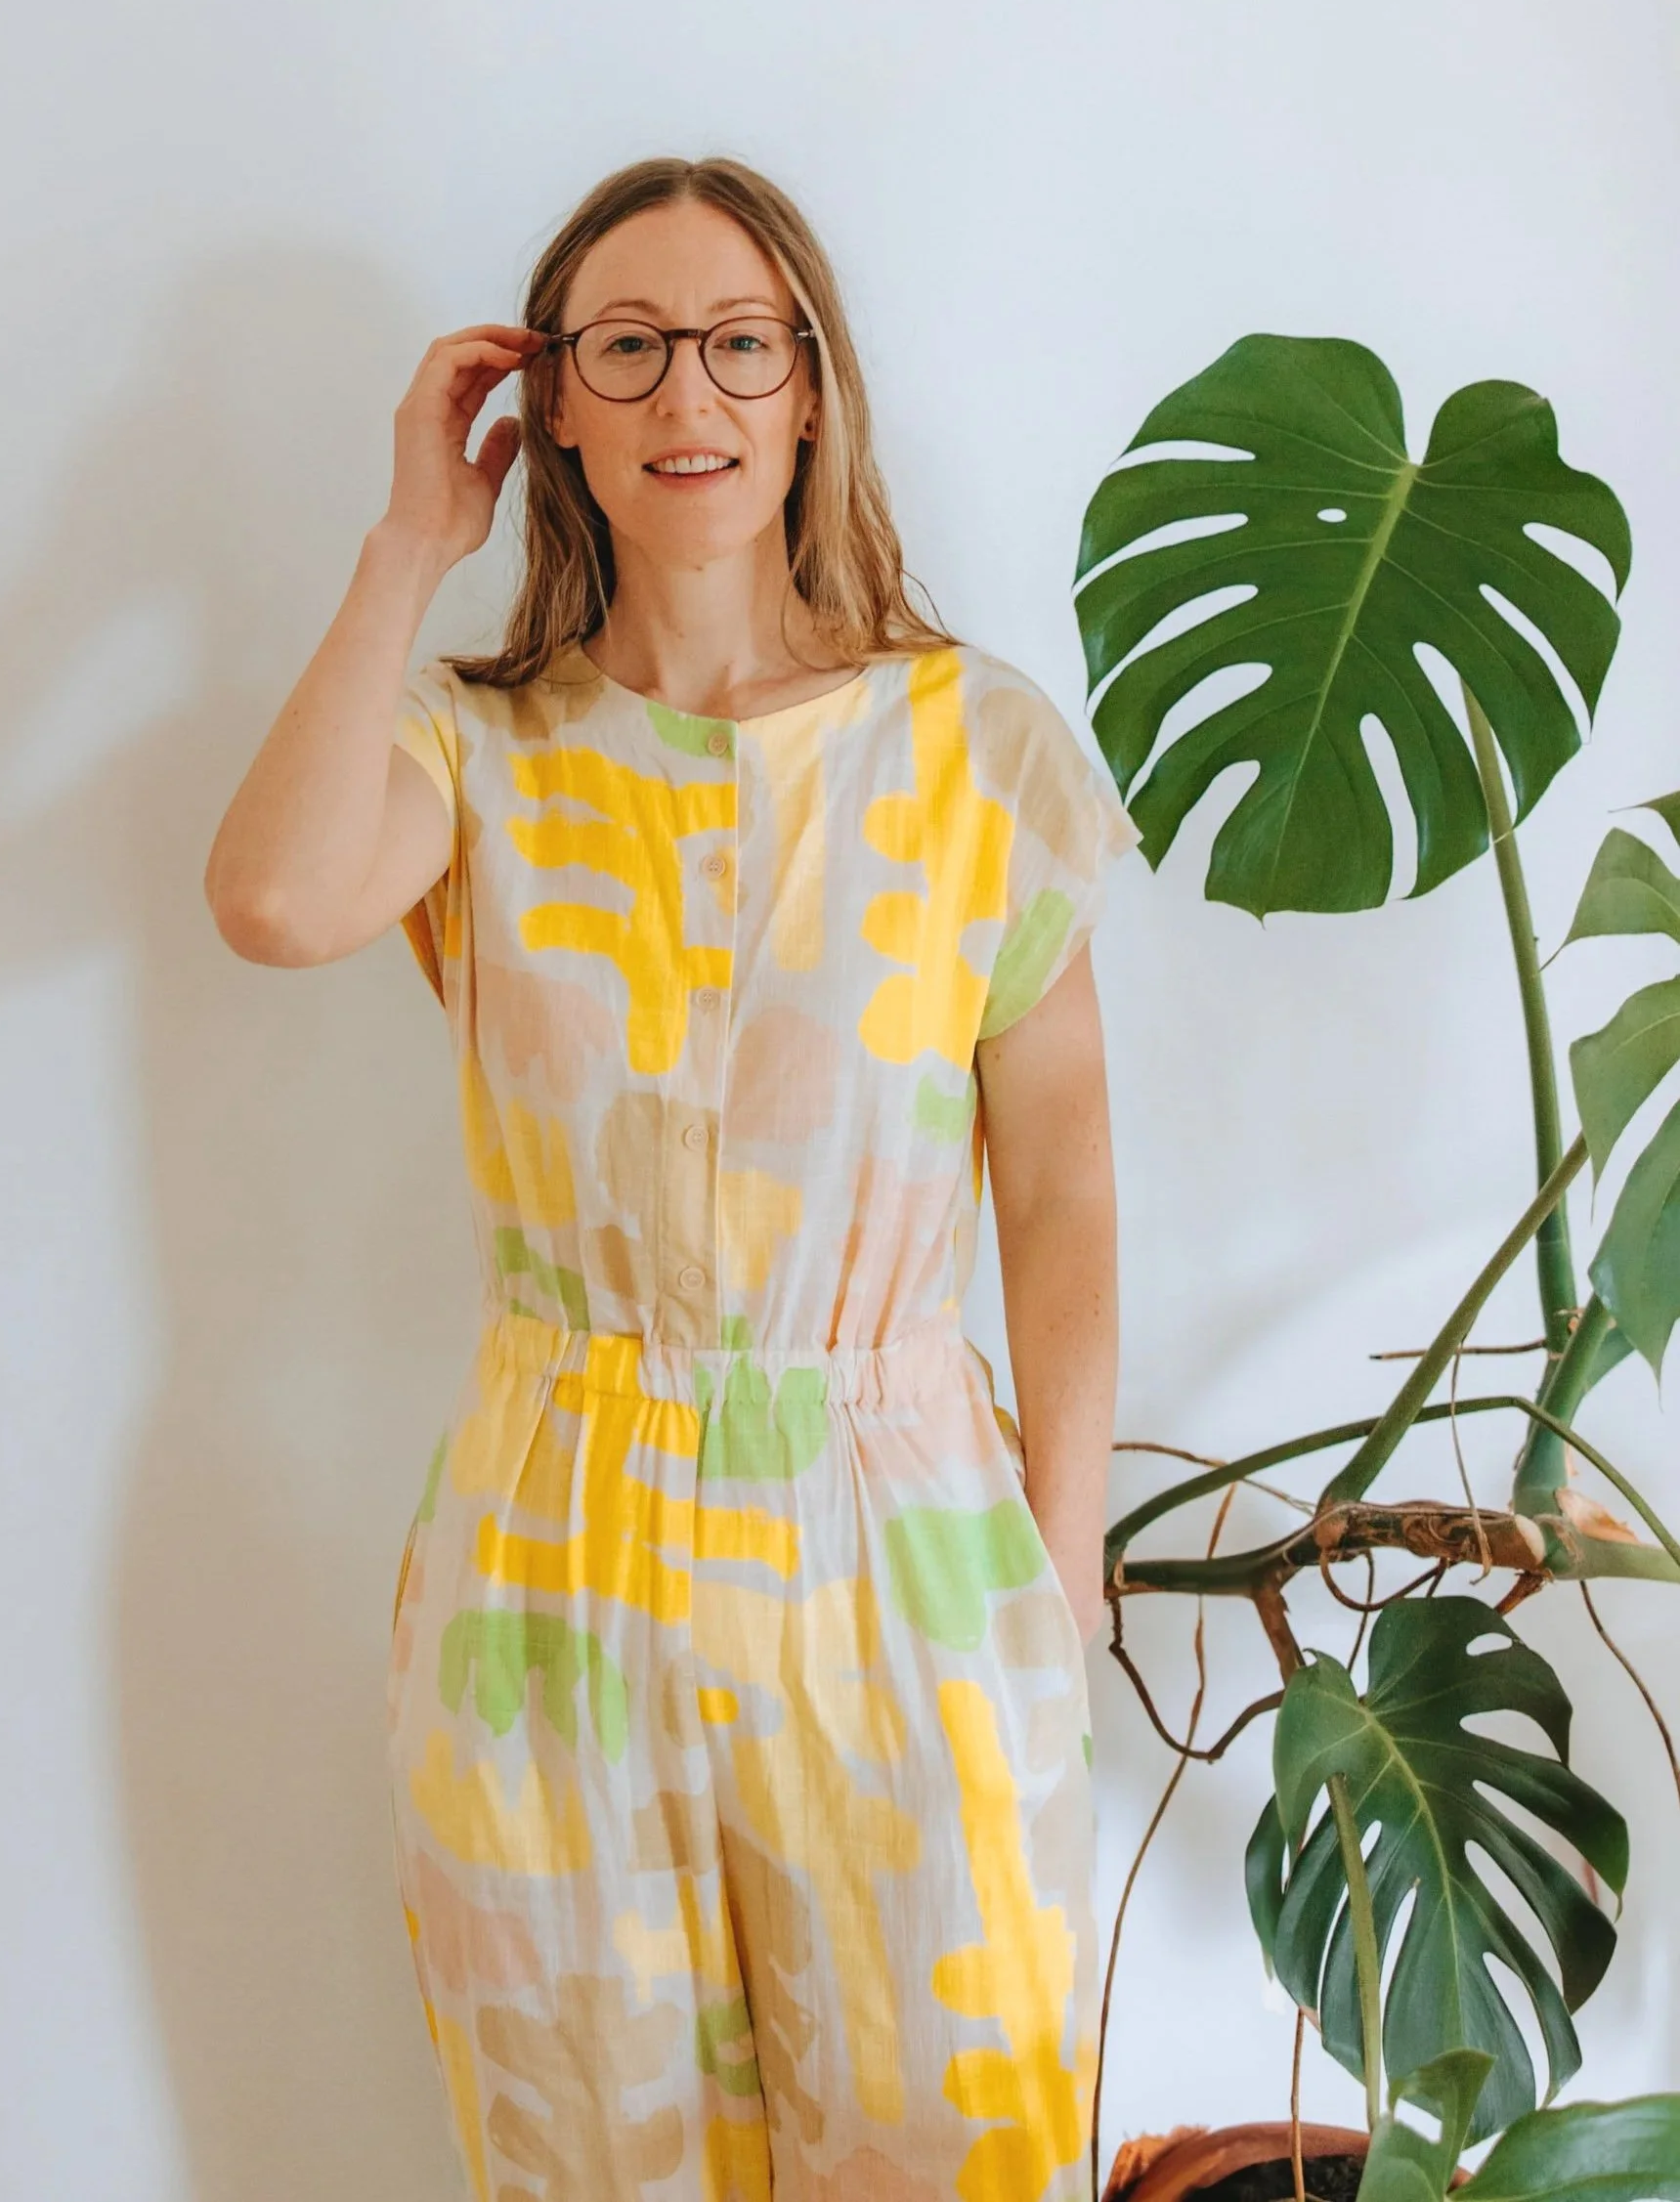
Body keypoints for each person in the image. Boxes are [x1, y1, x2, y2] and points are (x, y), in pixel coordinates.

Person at [204, 154, 1142, 2201]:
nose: (685, 393)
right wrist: (408, 544)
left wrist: (1062, 1561)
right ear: (552, 400)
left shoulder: (975, 747)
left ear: (810, 386)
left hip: (902, 1542)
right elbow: (271, 900)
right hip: (556, 1552)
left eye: (736, 342)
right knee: (589, 2150)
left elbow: (1061, 1186)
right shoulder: (476, 751)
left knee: (954, 2141)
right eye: (625, 347)